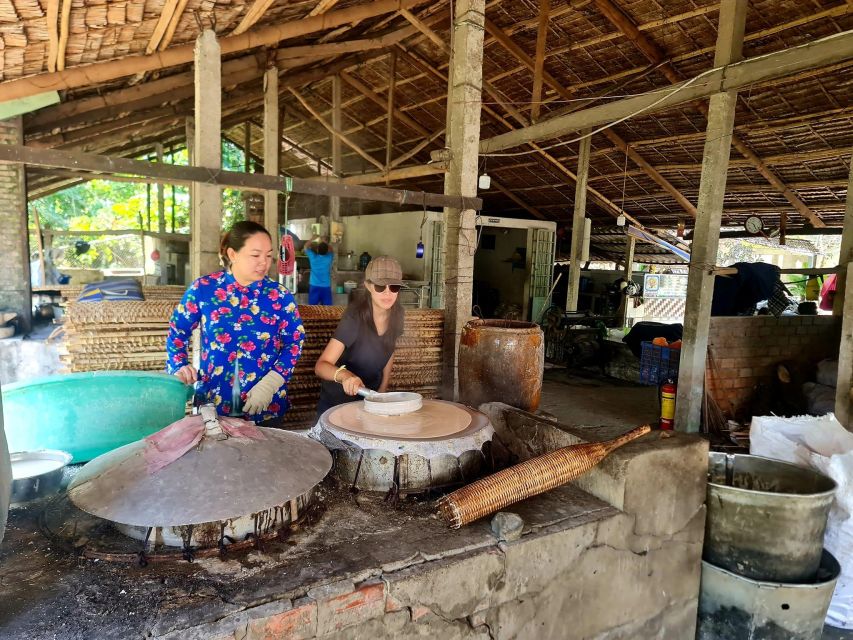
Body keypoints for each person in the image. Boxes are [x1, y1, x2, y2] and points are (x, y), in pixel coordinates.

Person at [166, 221, 305, 424]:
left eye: (268, 255)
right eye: (255, 255)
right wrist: (179, 365)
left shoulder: (279, 296)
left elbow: (295, 342)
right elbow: (177, 332)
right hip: (214, 405)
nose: (264, 262)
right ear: (232, 254)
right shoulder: (204, 289)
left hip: (264, 405)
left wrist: (272, 382)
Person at [314, 256, 405, 415]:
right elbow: (321, 366)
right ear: (368, 286)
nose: (387, 293)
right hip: (337, 405)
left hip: (369, 401)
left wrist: (382, 390)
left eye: (394, 287)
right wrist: (345, 376)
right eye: (380, 286)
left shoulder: (398, 314)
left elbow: (389, 350)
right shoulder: (354, 318)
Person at [304, 235, 334, 305]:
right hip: (326, 286)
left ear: (317, 250)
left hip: (314, 285)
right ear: (327, 251)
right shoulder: (328, 258)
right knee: (327, 310)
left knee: (312, 309)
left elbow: (305, 247)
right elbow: (332, 250)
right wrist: (325, 242)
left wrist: (312, 238)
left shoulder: (313, 257)